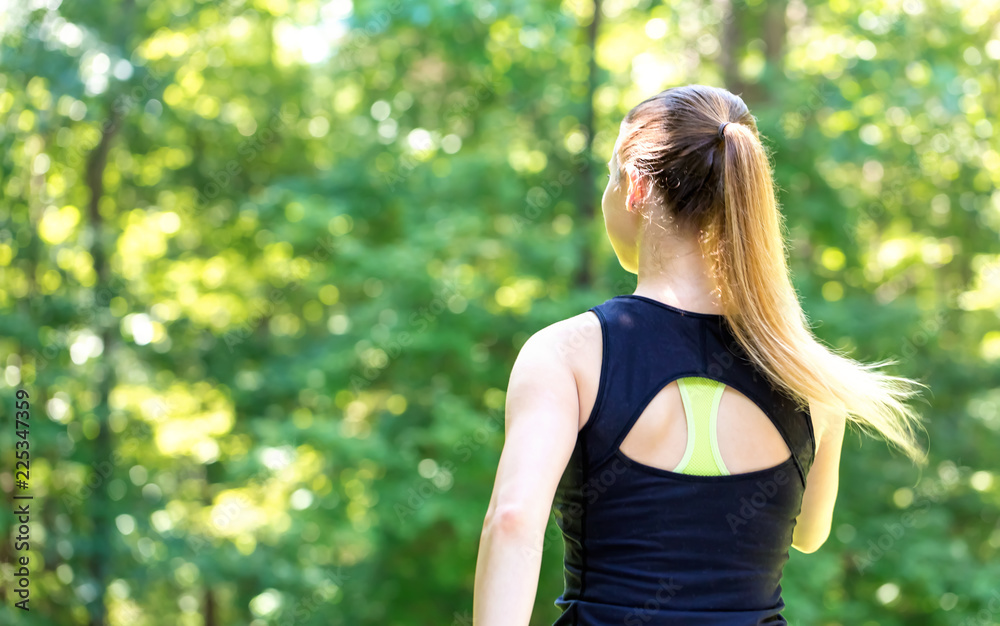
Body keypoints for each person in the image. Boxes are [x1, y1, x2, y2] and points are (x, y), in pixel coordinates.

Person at [472, 84, 928, 625]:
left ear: (636, 187)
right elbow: (809, 534)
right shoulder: (811, 376)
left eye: (612, 177)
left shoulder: (568, 353)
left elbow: (513, 521)